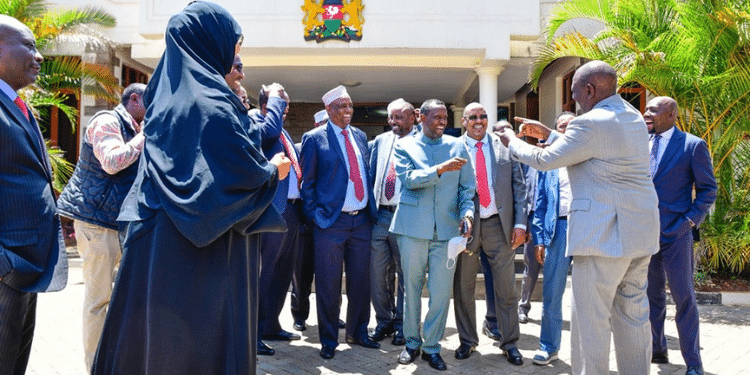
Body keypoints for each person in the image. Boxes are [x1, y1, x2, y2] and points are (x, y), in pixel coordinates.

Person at [91, 2, 291, 374]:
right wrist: (271, 172)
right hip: (205, 257)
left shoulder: (167, 99)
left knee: (158, 346)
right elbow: (232, 176)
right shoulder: (212, 103)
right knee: (201, 346)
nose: (236, 55)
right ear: (209, 41)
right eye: (234, 45)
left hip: (159, 248)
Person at [496, 60, 660, 375]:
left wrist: (512, 142)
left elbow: (543, 160)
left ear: (589, 89)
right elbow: (599, 150)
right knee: (633, 318)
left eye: (574, 94)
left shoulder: (590, 122)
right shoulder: (633, 117)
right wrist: (550, 133)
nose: (574, 102)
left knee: (590, 322)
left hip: (603, 237)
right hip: (638, 235)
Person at [56, 82, 147, 371]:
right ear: (134, 98)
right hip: (97, 222)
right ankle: (95, 367)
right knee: (98, 302)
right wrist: (146, 135)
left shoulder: (134, 128)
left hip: (116, 223)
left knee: (117, 302)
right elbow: (111, 161)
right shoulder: (107, 121)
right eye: (151, 99)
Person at [0, 14, 68, 375]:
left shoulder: (16, 105)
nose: (38, 55)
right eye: (27, 45)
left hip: (24, 269)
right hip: (8, 269)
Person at [390, 99, 475, 371]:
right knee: (412, 289)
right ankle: (411, 343)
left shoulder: (458, 146)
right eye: (436, 117)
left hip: (447, 231)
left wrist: (468, 214)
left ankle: (432, 347)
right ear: (421, 118)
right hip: (412, 228)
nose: (441, 122)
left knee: (440, 292)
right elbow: (409, 179)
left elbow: (466, 189)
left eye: (444, 118)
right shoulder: (404, 145)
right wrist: (439, 169)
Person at [300, 85, 378, 360]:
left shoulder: (358, 136)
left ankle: (358, 332)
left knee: (360, 282)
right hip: (330, 223)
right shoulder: (314, 138)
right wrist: (314, 216)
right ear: (330, 109)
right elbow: (306, 183)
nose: (348, 110)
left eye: (350, 106)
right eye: (343, 106)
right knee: (328, 284)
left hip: (361, 221)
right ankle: (329, 339)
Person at [645, 96, 716, 375]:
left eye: (653, 109)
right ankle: (657, 348)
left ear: (671, 114)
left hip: (677, 234)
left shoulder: (692, 145)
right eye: (647, 108)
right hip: (645, 234)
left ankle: (694, 363)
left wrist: (689, 222)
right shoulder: (641, 144)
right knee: (652, 296)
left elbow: (708, 189)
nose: (646, 113)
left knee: (684, 297)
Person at [452, 103, 527, 365]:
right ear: (464, 121)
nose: (479, 121)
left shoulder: (505, 145)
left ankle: (510, 343)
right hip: (467, 229)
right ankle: (467, 341)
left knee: (507, 289)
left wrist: (520, 224)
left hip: (499, 226)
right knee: (463, 288)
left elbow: (519, 187)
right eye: (473, 117)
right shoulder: (454, 148)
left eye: (483, 116)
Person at [255, 83, 304, 346]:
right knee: (265, 274)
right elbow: (267, 134)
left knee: (282, 273)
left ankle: (272, 325)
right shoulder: (258, 123)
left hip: (291, 211)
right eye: (281, 106)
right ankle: (256, 332)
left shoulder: (283, 131)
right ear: (267, 106)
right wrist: (274, 102)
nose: (285, 111)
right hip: (272, 211)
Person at [367, 98, 417, 346]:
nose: (393, 122)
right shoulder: (381, 140)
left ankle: (403, 325)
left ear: (413, 117)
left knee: (406, 275)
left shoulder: (423, 142)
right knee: (377, 274)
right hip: (382, 216)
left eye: (399, 117)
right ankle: (383, 321)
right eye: (390, 117)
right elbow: (371, 173)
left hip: (407, 217)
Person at [528, 112, 575, 366]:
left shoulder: (587, 155)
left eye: (569, 126)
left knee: (589, 293)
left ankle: (587, 350)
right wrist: (539, 238)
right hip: (557, 229)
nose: (564, 131)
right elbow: (541, 203)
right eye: (560, 127)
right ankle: (549, 347)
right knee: (552, 292)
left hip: (588, 228)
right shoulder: (550, 162)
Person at [291, 109, 329, 332]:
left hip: (328, 220)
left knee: (329, 274)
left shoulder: (337, 148)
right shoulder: (298, 148)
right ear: (316, 125)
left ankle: (331, 315)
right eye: (324, 123)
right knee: (301, 273)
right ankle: (299, 315)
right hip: (305, 222)